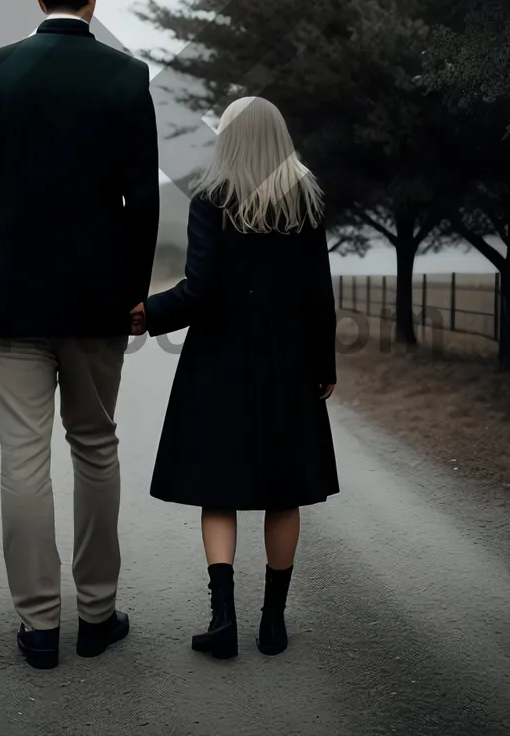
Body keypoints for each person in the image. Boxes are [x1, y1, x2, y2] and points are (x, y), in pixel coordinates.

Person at [0, 0, 159, 670]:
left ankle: (39, 626)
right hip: (99, 298)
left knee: (22, 458)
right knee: (96, 448)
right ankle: (97, 614)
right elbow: (144, 200)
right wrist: (134, 290)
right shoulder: (128, 76)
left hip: (7, 298)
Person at [130, 96, 339, 659]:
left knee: (217, 492)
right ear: (278, 136)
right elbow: (319, 295)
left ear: (228, 139)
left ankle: (223, 620)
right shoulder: (305, 201)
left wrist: (149, 312)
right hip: (289, 365)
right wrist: (324, 366)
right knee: (284, 491)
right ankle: (273, 623)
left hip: (218, 364)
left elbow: (199, 291)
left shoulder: (212, 199)